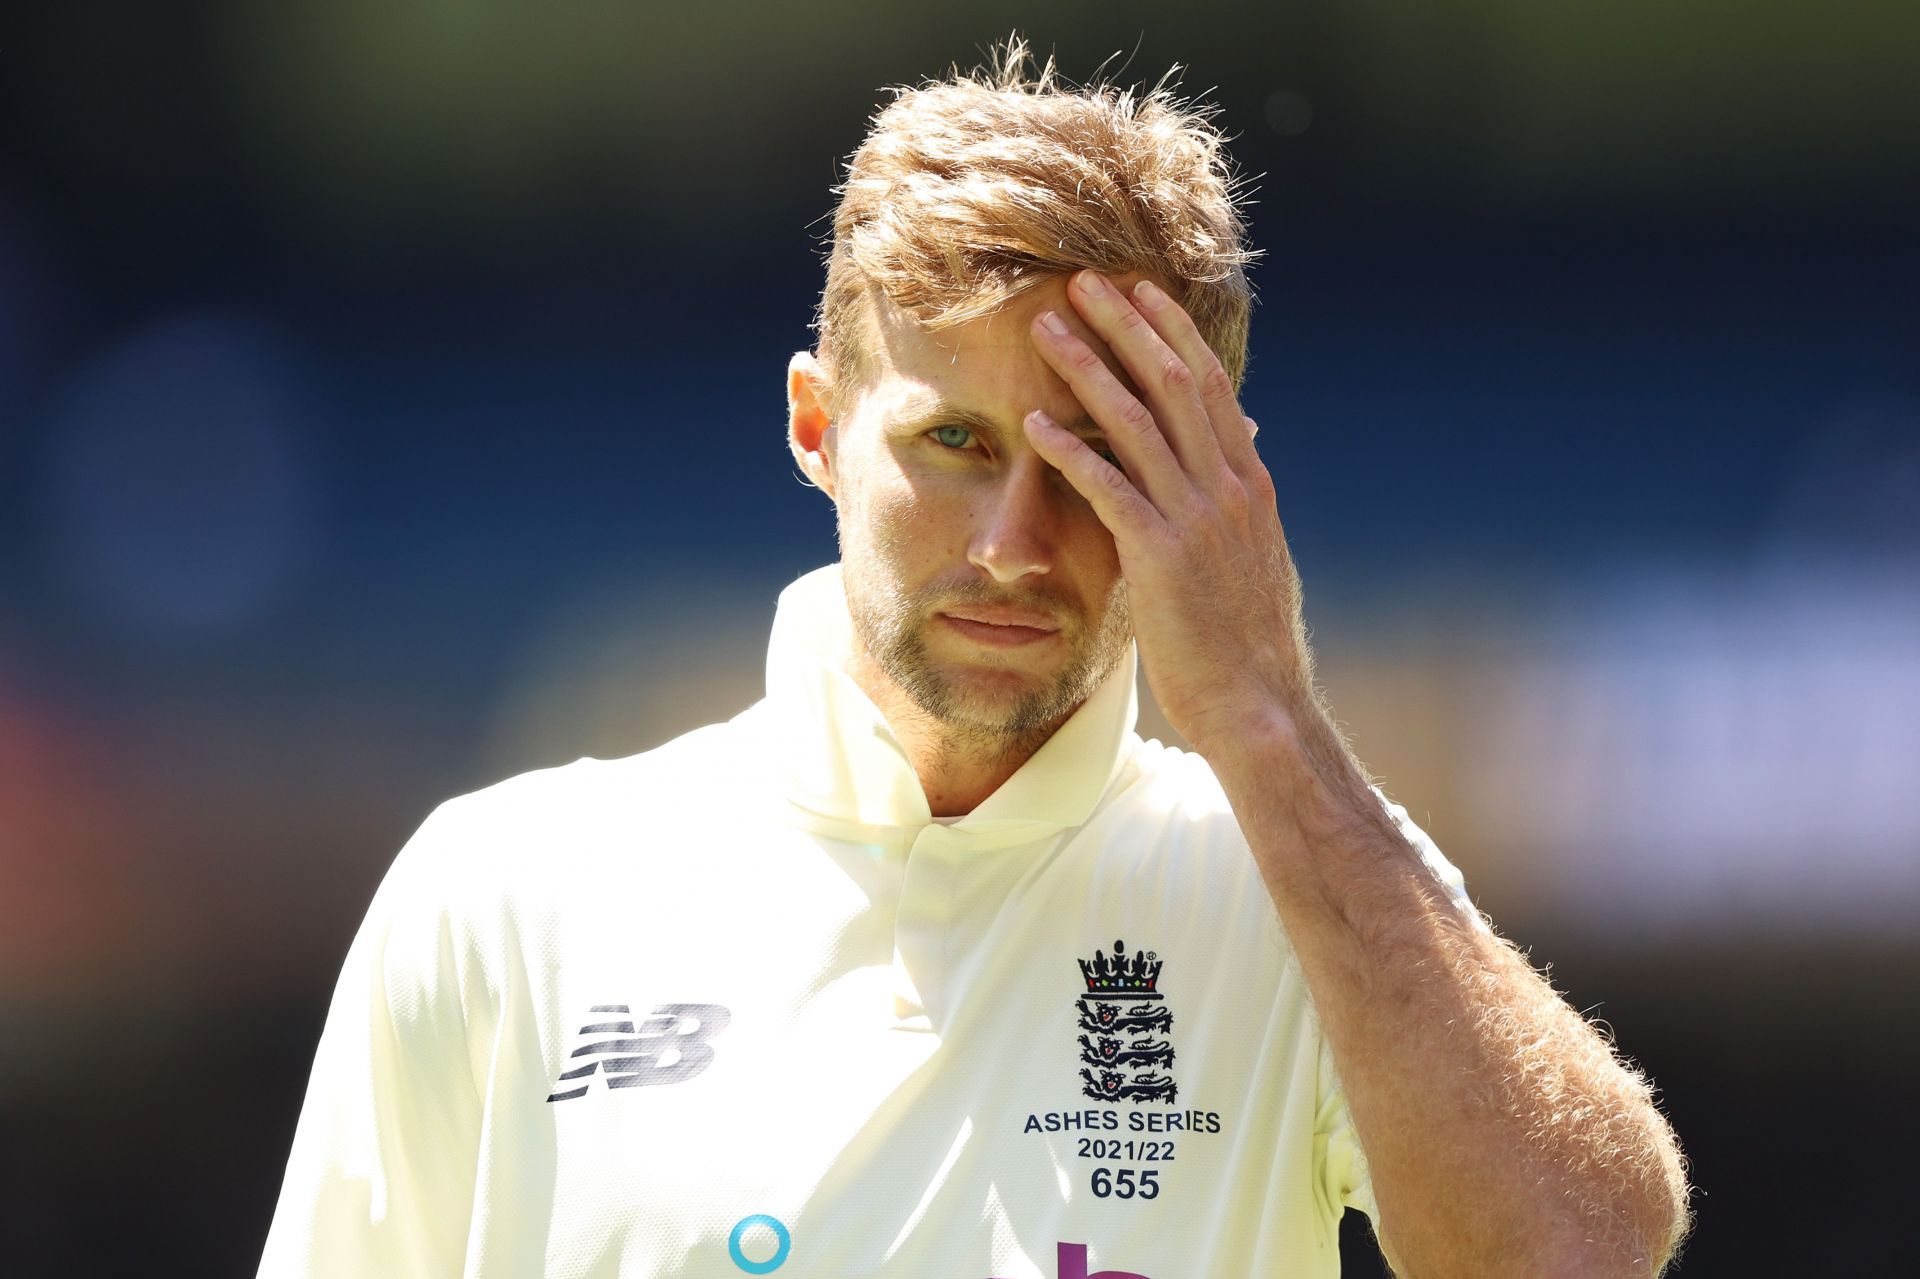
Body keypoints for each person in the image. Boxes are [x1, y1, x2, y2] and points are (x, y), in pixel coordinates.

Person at [260, 41, 1689, 1279]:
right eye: (956, 443)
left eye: (1099, 462)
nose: (1018, 541)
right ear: (817, 428)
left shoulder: (1303, 889)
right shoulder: (503, 894)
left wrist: (1262, 714)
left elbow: (1584, 1254)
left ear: (1210, 490)